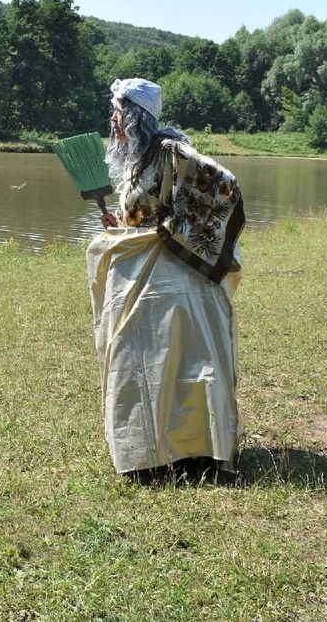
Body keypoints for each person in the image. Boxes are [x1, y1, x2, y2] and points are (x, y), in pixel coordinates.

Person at [88, 78, 245, 483]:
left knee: (183, 362)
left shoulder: (170, 150)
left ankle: (195, 453)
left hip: (176, 279)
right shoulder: (136, 159)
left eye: (118, 112)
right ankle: (146, 453)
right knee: (135, 359)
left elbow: (223, 184)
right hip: (140, 275)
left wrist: (179, 231)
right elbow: (144, 209)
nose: (112, 119)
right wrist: (121, 224)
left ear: (135, 117)